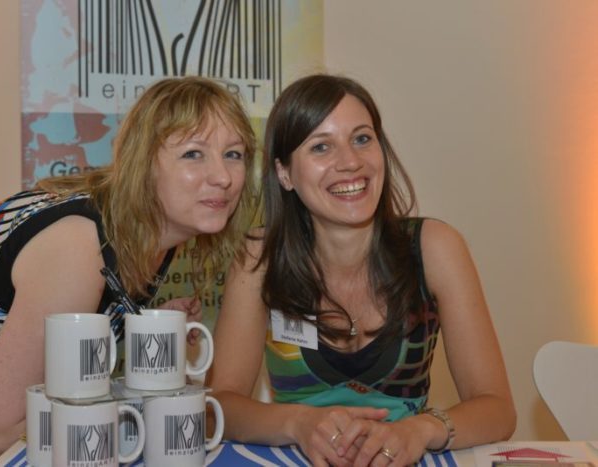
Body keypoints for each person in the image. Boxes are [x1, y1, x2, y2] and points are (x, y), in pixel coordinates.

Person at [0, 76, 257, 466]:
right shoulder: (81, 245)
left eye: (233, 154)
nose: (223, 177)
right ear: (144, 165)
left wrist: (143, 326)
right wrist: (134, 408)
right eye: (193, 154)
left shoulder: (149, 236)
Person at [207, 74, 516, 467]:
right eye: (321, 146)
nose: (351, 162)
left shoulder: (434, 248)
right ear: (284, 173)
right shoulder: (259, 256)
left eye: (362, 138)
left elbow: (497, 409)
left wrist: (419, 430)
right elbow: (219, 407)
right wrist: (299, 423)